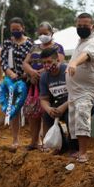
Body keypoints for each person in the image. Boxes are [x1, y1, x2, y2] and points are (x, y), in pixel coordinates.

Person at [66, 13, 94, 163]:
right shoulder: (80, 41)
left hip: (86, 90)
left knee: (82, 117)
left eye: (85, 26)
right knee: (74, 121)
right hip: (74, 91)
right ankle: (76, 150)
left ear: (92, 27)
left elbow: (85, 55)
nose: (81, 28)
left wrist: (74, 63)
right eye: (79, 26)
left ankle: (83, 153)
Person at [23, 22, 65, 150]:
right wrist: (31, 72)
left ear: (51, 33)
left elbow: (58, 63)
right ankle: (34, 141)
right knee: (33, 112)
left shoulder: (58, 47)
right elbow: (25, 62)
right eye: (40, 33)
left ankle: (46, 142)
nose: (42, 35)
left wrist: (40, 73)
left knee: (46, 112)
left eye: (45, 33)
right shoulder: (34, 47)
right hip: (33, 84)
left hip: (51, 83)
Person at [1, 17, 34, 149]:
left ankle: (35, 139)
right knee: (14, 109)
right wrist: (11, 74)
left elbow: (34, 59)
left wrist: (28, 73)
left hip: (28, 80)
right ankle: (15, 139)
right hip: (13, 81)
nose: (15, 31)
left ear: (23, 28)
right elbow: (3, 61)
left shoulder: (30, 43)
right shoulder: (8, 43)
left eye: (17, 29)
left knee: (31, 110)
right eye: (12, 29)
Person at [39, 46, 78, 154]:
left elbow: (76, 94)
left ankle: (74, 147)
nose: (46, 65)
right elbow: (43, 98)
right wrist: (48, 109)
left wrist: (63, 107)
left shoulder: (67, 72)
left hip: (73, 102)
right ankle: (58, 145)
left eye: (49, 61)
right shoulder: (44, 77)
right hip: (57, 104)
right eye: (43, 63)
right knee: (47, 116)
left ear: (57, 59)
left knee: (69, 116)